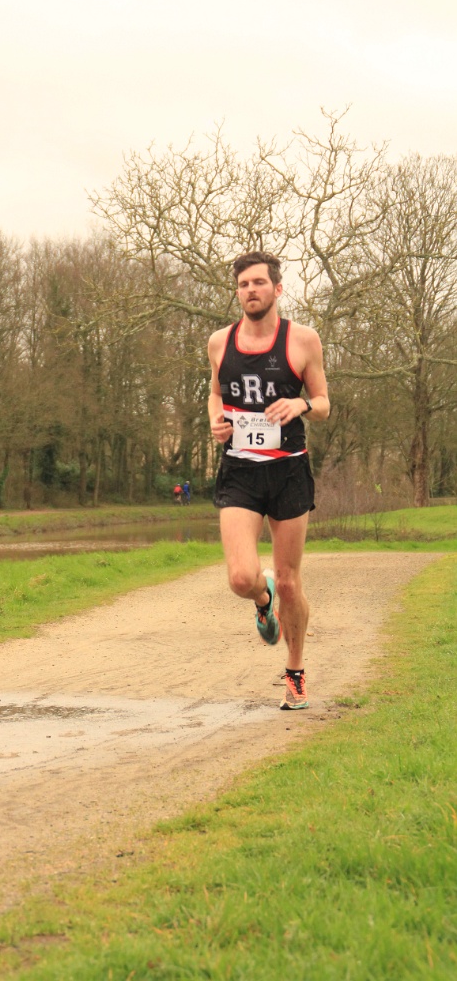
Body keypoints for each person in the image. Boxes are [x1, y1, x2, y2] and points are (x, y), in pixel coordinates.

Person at [207, 251, 330, 710]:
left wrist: (300, 405)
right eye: (243, 284)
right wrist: (217, 422)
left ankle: (295, 672)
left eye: (259, 283)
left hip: (288, 471)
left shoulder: (303, 340)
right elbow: (215, 393)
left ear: (277, 289)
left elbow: (323, 403)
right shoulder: (219, 342)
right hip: (240, 470)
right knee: (242, 578)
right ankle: (263, 599)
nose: (250, 291)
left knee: (292, 582)